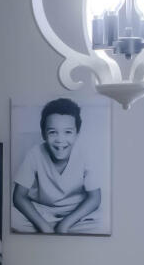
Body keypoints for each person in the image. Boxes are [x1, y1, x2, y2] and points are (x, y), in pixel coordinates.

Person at [11, 97, 103, 233]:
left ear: (77, 133)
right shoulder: (35, 154)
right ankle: (51, 228)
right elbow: (18, 196)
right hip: (42, 211)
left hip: (75, 211)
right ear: (43, 134)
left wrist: (65, 224)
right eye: (53, 132)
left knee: (103, 222)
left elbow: (95, 198)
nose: (60, 140)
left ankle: (64, 228)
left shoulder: (85, 154)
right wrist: (44, 226)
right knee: (12, 219)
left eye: (68, 132)